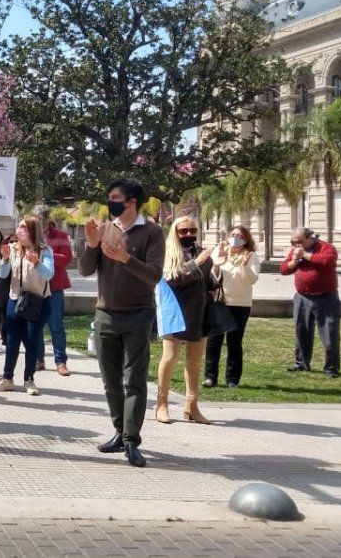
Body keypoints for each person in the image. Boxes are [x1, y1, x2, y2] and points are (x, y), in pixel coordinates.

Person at [80, 179, 165, 468]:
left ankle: (131, 439)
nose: (110, 202)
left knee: (135, 380)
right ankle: (119, 430)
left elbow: (154, 275)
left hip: (138, 314)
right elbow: (86, 269)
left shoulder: (152, 232)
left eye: (115, 198)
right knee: (110, 380)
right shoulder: (105, 230)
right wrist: (92, 245)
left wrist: (125, 257)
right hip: (105, 313)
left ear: (131, 201)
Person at [156, 216, 215, 425]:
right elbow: (170, 280)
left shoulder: (202, 252)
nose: (189, 234)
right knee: (170, 357)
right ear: (175, 232)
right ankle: (161, 404)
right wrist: (195, 264)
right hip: (175, 311)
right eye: (184, 231)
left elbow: (211, 282)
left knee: (195, 360)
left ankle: (192, 406)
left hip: (199, 311)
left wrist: (217, 269)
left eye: (192, 230)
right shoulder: (167, 252)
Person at [0, 216, 54, 396]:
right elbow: (3, 275)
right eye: (18, 226)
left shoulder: (45, 250)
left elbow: (49, 274)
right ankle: (7, 378)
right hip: (15, 300)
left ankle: (29, 380)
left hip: (37, 302)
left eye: (23, 227)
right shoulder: (13, 249)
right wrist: (3, 260)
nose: (19, 230)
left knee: (32, 341)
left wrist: (37, 263)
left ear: (32, 230)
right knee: (11, 341)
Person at [281, 228, 341, 378]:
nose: (296, 245)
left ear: (310, 238)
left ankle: (331, 368)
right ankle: (301, 363)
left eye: (300, 242)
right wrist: (294, 261)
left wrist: (305, 255)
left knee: (329, 333)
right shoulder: (296, 250)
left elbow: (327, 262)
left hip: (326, 297)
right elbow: (283, 269)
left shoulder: (326, 248)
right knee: (302, 331)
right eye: (294, 242)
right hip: (302, 297)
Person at [205, 225, 260, 388]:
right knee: (214, 340)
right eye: (233, 234)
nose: (235, 237)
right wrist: (216, 263)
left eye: (239, 236)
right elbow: (213, 277)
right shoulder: (221, 251)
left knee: (234, 341)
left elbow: (252, 279)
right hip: (220, 301)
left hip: (240, 304)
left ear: (246, 240)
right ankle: (210, 376)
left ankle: (232, 379)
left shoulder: (251, 256)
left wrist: (244, 265)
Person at [35, 206, 73, 376]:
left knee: (56, 326)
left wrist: (46, 254)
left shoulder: (60, 235)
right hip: (34, 287)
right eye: (36, 217)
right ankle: (38, 360)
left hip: (55, 287)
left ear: (47, 218)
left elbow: (67, 259)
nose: (39, 220)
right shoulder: (28, 235)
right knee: (36, 327)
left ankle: (61, 362)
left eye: (42, 217)